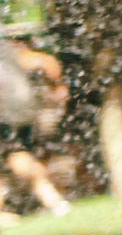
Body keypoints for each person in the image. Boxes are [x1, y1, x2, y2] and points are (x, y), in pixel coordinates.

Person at [0, 36, 70, 220]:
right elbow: (43, 62)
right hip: (20, 109)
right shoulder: (6, 47)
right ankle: (51, 197)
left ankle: (51, 198)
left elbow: (45, 62)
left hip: (8, 114)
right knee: (18, 156)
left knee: (17, 156)